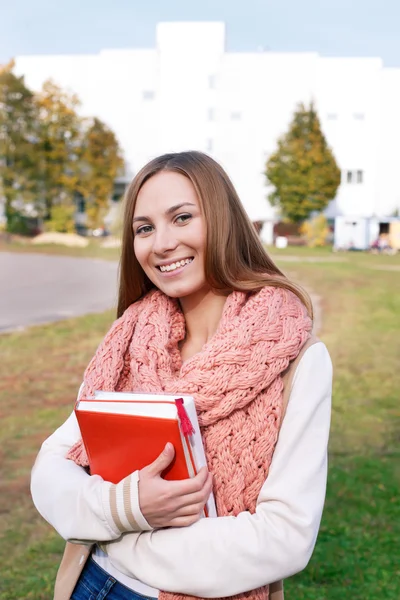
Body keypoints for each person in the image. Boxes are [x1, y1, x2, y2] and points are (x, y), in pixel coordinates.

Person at [30, 151, 332, 600]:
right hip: (90, 584)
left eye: (183, 217)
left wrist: (121, 536)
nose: (162, 243)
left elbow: (284, 537)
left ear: (223, 220)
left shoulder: (298, 359)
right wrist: (127, 506)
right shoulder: (129, 340)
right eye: (144, 228)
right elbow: (52, 468)